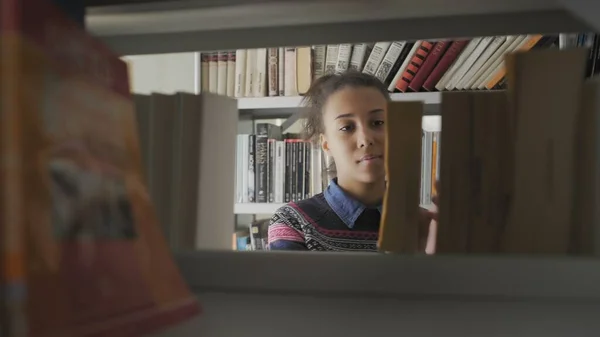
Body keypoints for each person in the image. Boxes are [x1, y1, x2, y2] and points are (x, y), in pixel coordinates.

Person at [267, 71, 438, 253]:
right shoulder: (293, 222)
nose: (365, 139)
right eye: (346, 127)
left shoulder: (423, 225)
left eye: (378, 122)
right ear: (326, 143)